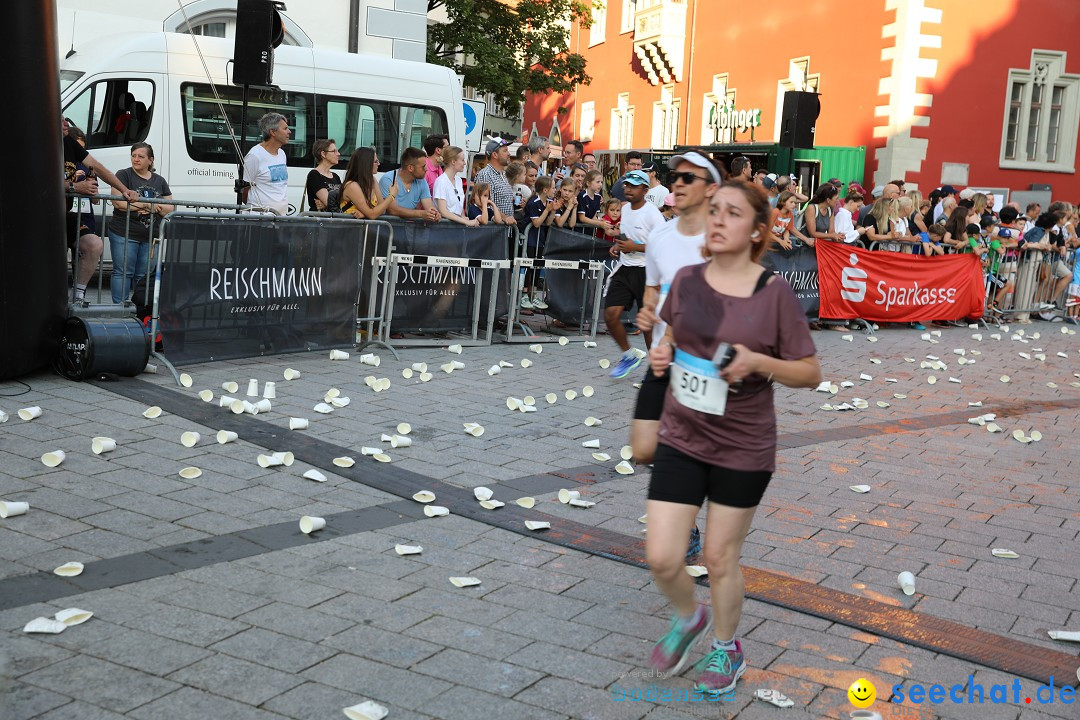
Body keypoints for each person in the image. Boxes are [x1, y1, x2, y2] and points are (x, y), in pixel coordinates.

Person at [645, 180, 820, 697]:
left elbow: (809, 372)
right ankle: (688, 616)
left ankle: (727, 647)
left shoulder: (774, 294)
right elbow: (674, 335)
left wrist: (757, 362)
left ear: (757, 229)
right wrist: (663, 355)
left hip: (743, 446)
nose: (718, 220)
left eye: (733, 213)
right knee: (662, 556)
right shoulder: (688, 281)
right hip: (682, 433)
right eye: (714, 210)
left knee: (720, 558)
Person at [633, 151, 720, 466]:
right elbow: (653, 286)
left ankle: (685, 504)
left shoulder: (722, 237)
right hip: (662, 354)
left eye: (688, 178)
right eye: (675, 178)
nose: (678, 184)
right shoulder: (660, 236)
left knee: (691, 452)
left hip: (705, 361)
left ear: (710, 188)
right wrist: (648, 308)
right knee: (643, 449)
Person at [63, 118, 138, 302]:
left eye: (66, 120)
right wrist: (74, 187)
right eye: (61, 120)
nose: (66, 123)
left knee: (94, 245)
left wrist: (124, 189)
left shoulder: (69, 144)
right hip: (44, 216)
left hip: (66, 215)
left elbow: (98, 168)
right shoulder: (42, 144)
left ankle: (78, 295)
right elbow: (39, 181)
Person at [606, 169, 666, 379]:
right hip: (625, 267)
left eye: (633, 186)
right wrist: (618, 245)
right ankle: (629, 355)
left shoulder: (653, 215)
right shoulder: (626, 209)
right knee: (610, 315)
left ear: (645, 189)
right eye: (626, 185)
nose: (627, 189)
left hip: (647, 271)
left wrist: (635, 246)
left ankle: (656, 371)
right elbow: (628, 237)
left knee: (648, 326)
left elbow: (662, 246)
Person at [108, 142, 174, 304]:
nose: (136, 159)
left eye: (141, 156)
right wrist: (148, 205)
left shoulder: (160, 180)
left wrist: (149, 207)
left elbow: (170, 208)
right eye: (133, 155)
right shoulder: (123, 175)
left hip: (151, 237)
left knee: (144, 276)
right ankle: (119, 309)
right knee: (123, 273)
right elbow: (118, 203)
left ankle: (140, 309)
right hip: (124, 233)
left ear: (150, 160)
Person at [243, 112, 291, 215]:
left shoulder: (282, 154)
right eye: (285, 128)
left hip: (280, 218)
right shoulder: (254, 155)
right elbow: (244, 189)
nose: (289, 132)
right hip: (259, 220)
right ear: (273, 132)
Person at [379, 147, 440, 222]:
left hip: (410, 230)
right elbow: (392, 210)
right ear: (410, 168)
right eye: (423, 166)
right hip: (390, 230)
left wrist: (434, 213)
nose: (426, 169)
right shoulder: (388, 180)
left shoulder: (422, 181)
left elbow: (429, 207)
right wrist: (421, 214)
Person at [338, 147, 396, 220]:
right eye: (375, 161)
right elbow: (372, 215)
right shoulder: (352, 186)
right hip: (351, 229)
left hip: (367, 229)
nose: (379, 164)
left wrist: (365, 214)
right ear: (366, 164)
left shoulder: (373, 180)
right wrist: (392, 196)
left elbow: (382, 210)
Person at [474, 138, 518, 225]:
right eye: (505, 151)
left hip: (504, 230)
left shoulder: (504, 174)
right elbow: (485, 204)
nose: (509, 154)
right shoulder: (485, 174)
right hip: (492, 231)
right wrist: (504, 217)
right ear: (495, 155)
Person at [432, 146, 475, 226]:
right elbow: (443, 211)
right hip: (444, 228)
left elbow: (459, 204)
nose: (465, 163)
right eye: (462, 160)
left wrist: (463, 216)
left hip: (457, 228)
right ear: (453, 162)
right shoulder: (441, 182)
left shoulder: (458, 180)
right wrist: (466, 222)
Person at [304, 139, 342, 212]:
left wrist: (326, 204)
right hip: (320, 222)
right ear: (323, 154)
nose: (338, 154)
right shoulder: (314, 175)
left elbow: (343, 201)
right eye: (334, 151)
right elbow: (329, 202)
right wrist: (328, 204)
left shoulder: (335, 176)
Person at [576, 170, 609, 235]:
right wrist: (599, 223)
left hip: (590, 232)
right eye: (597, 182)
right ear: (588, 183)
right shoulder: (582, 196)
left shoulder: (598, 197)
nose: (600, 184)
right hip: (579, 232)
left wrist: (604, 222)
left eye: (601, 182)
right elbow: (582, 218)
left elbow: (594, 217)